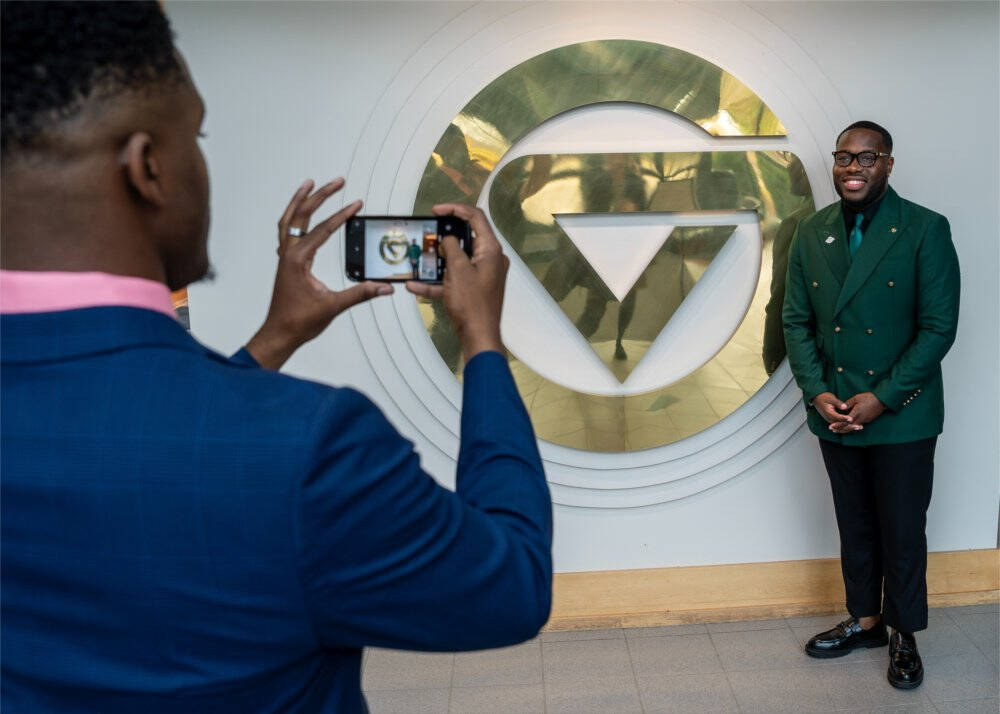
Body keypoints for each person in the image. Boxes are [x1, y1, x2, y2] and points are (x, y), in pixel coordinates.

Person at [0, 3, 552, 712]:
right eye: (195, 135)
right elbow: (510, 587)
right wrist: (482, 341)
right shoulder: (309, 449)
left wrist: (272, 341)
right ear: (148, 168)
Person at [783, 121, 960, 689]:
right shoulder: (812, 233)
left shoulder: (925, 230)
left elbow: (937, 329)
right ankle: (865, 620)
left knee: (901, 528)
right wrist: (818, 392)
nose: (852, 168)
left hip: (900, 413)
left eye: (866, 158)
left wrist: (882, 399)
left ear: (887, 164)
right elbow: (796, 320)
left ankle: (905, 633)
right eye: (843, 157)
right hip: (836, 410)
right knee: (854, 523)